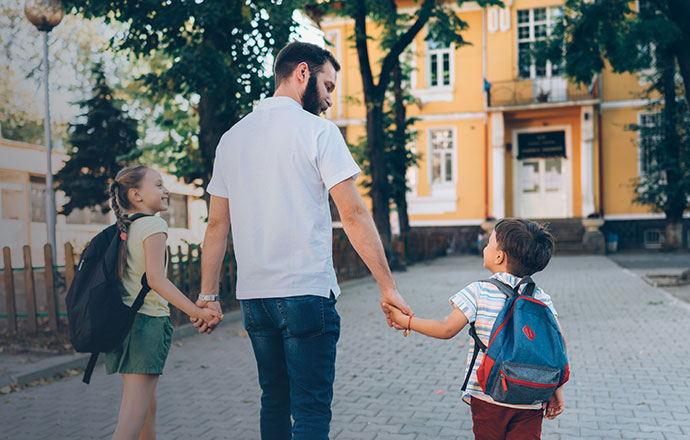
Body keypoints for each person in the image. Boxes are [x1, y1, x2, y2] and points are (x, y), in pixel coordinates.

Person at [193, 41, 412, 439]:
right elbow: (354, 214)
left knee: (273, 400)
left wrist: (208, 297)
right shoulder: (319, 133)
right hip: (306, 294)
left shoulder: (231, 138)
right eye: (328, 86)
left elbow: (216, 226)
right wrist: (388, 287)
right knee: (310, 410)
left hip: (255, 298)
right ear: (302, 74)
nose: (329, 100)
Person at [384, 218, 565, 440]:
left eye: (489, 243)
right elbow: (558, 345)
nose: (484, 247)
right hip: (532, 397)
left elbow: (446, 329)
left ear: (499, 257)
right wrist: (555, 390)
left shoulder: (478, 291)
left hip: (488, 394)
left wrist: (406, 321)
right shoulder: (541, 297)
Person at [106, 165, 223, 440]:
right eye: (158, 185)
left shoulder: (127, 227)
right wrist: (197, 312)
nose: (165, 190)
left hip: (123, 326)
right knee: (132, 415)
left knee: (146, 405)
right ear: (136, 194)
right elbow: (156, 279)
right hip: (146, 326)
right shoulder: (153, 225)